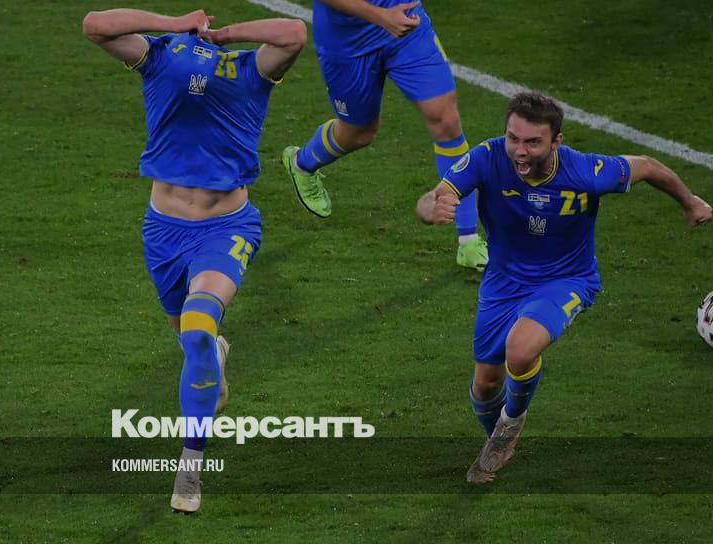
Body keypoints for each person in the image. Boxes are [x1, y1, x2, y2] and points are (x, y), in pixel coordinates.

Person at [415, 92, 713, 483]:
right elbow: (435, 195)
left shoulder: (585, 172)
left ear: (556, 141)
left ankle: (511, 423)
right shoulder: (488, 156)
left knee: (520, 350)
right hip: (503, 283)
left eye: (532, 142)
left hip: (566, 279)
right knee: (485, 385)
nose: (519, 151)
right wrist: (430, 209)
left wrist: (689, 202)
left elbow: (646, 166)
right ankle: (497, 438)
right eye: (513, 138)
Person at [82, 7, 307, 512]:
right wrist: (173, 22)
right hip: (163, 232)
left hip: (227, 227)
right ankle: (212, 356)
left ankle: (190, 466)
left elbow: (294, 32)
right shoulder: (159, 56)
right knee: (191, 340)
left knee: (198, 324)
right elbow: (95, 24)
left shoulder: (250, 68)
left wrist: (225, 35)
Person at [281, 0, 489, 270]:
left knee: (446, 120)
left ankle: (468, 240)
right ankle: (302, 163)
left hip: (406, 25)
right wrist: (380, 16)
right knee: (359, 133)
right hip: (347, 42)